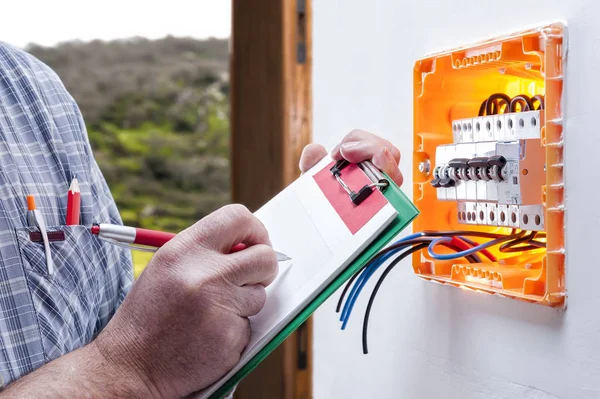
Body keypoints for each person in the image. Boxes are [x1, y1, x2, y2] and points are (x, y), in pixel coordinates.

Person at [0, 42, 403, 397]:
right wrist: (130, 368)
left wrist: (307, 236)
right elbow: (135, 357)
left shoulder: (35, 91)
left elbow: (132, 335)